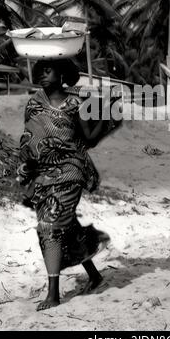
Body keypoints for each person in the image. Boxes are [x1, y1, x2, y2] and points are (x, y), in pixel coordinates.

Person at [17, 59, 111, 311]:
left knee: (50, 224)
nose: (42, 75)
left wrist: (105, 114)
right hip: (42, 172)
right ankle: (94, 275)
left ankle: (53, 294)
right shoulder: (33, 103)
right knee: (65, 225)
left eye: (48, 71)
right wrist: (26, 163)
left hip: (70, 169)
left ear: (62, 74)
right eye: (40, 72)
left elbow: (88, 139)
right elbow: (28, 137)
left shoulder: (74, 104)